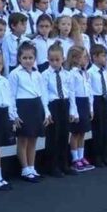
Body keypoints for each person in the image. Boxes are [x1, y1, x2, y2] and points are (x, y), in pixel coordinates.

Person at [9, 42, 50, 181]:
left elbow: (43, 93)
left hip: (36, 106)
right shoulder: (14, 74)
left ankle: (32, 167)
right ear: (19, 58)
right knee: (23, 139)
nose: (28, 61)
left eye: (30, 58)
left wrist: (46, 111)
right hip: (23, 107)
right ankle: (25, 169)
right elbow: (11, 95)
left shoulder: (37, 74)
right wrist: (14, 114)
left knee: (33, 139)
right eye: (24, 58)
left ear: (35, 58)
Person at [42, 43, 71, 177]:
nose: (54, 63)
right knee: (53, 136)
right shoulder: (45, 75)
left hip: (64, 103)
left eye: (57, 60)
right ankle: (52, 166)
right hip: (52, 105)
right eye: (51, 60)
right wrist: (47, 112)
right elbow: (44, 94)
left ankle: (64, 164)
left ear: (63, 59)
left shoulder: (67, 74)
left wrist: (73, 110)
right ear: (48, 59)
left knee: (64, 135)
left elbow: (70, 92)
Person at [65, 46, 94, 171]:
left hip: (85, 102)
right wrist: (74, 112)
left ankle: (81, 156)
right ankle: (75, 158)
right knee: (75, 133)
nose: (86, 59)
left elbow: (89, 91)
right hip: (77, 103)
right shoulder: (72, 74)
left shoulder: (85, 73)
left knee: (82, 132)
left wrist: (91, 108)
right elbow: (71, 93)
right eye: (84, 57)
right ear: (75, 58)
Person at [88, 44, 107, 167]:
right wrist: (91, 107)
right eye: (103, 56)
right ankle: (97, 157)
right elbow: (90, 91)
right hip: (96, 100)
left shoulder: (105, 72)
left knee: (105, 130)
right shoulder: (90, 72)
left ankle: (104, 155)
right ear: (95, 57)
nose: (105, 58)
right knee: (98, 130)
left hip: (105, 100)